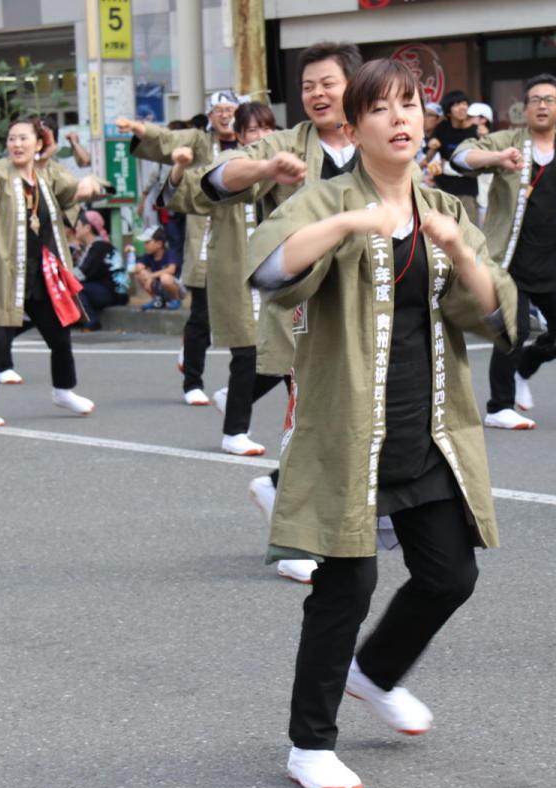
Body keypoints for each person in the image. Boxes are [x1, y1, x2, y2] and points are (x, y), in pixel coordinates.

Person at [246, 58, 518, 788]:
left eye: (411, 105)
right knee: (348, 583)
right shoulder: (326, 199)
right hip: (349, 429)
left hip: (428, 426)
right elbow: (268, 271)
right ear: (356, 126)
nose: (401, 118)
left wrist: (460, 252)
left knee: (451, 573)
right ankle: (310, 742)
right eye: (381, 108)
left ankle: (376, 671)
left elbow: (495, 310)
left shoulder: (446, 210)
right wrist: (348, 221)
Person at [199, 40, 365, 585]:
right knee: (311, 421)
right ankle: (293, 536)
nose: (317, 94)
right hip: (304, 315)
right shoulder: (288, 145)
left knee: (358, 426)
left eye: (328, 83)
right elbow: (215, 179)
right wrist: (265, 166)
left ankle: (280, 490)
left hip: (368, 311)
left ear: (354, 85)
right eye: (308, 86)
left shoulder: (377, 141)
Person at [454, 73, 556, 430]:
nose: (542, 106)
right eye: (535, 100)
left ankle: (525, 367)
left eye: (549, 100)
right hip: (511, 260)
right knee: (514, 328)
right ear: (524, 109)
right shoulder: (508, 141)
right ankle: (499, 406)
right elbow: (461, 157)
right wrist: (496, 156)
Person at [0, 118, 104, 427]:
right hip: (5, 275)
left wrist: (89, 186)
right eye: (12, 139)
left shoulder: (46, 175)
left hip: (43, 274)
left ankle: (64, 390)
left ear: (38, 144)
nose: (17, 145)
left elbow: (75, 189)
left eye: (24, 139)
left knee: (60, 336)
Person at [164, 101, 283, 457]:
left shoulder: (288, 168)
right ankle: (234, 431)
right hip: (235, 274)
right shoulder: (228, 172)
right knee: (247, 353)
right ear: (240, 137)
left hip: (279, 274)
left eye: (266, 128)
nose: (260, 136)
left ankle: (233, 398)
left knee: (288, 355)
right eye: (251, 131)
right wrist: (178, 170)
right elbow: (184, 196)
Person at [116, 91, 242, 407]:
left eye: (231, 109)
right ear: (210, 115)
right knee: (201, 315)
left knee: (248, 318)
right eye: (219, 110)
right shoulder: (201, 142)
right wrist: (139, 129)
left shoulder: (252, 142)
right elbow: (170, 138)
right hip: (208, 235)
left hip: (246, 240)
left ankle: (243, 384)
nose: (226, 115)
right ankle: (193, 382)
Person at [420, 90, 479, 221]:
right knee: (443, 229)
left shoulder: (475, 131)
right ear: (448, 111)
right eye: (457, 104)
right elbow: (428, 157)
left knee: (468, 229)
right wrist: (432, 146)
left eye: (464, 103)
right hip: (443, 187)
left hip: (467, 187)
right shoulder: (442, 127)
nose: (463, 107)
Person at [73, 209, 126, 328]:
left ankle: (92, 321)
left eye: (78, 225)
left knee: (75, 287)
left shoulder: (99, 248)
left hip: (113, 294)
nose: (75, 228)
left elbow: (81, 274)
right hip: (107, 290)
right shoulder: (94, 247)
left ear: (87, 228)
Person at [131, 225, 182, 309]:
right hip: (159, 286)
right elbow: (138, 268)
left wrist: (151, 276)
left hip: (175, 287)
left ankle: (176, 300)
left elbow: (171, 270)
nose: (145, 245)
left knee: (165, 278)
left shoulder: (170, 253)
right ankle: (157, 300)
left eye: (147, 242)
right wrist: (132, 255)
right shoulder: (148, 255)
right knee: (140, 274)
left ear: (159, 244)